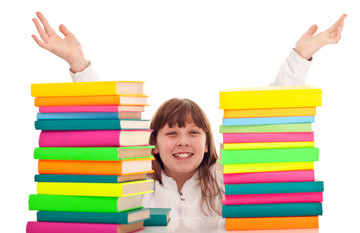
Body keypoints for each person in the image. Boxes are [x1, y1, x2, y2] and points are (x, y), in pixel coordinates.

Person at [31, 12, 346, 218]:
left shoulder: (227, 180)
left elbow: (273, 119)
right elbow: (106, 125)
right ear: (152, 142)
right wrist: (77, 61)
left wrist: (301, 57)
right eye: (172, 132)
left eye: (194, 132)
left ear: (208, 143)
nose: (183, 141)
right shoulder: (135, 182)